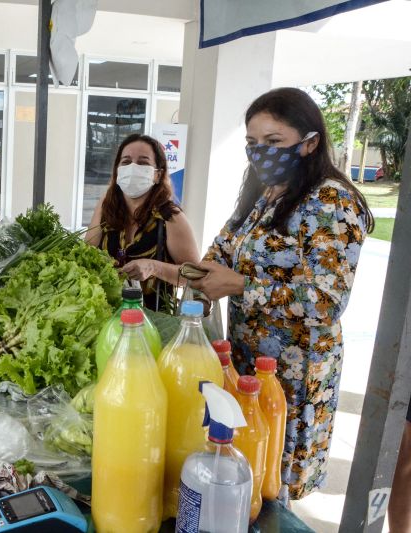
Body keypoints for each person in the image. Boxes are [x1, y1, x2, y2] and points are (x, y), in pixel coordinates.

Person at [194, 87, 374, 501]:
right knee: (241, 464)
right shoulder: (266, 191)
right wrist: (194, 274)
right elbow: (224, 248)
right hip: (249, 360)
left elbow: (327, 301)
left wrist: (240, 285)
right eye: (252, 142)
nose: (260, 152)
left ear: (309, 143)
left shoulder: (331, 201)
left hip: (295, 373)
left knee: (273, 478)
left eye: (273, 141)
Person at [85, 133, 199, 311]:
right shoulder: (106, 206)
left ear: (157, 175)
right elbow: (87, 255)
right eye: (126, 161)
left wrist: (154, 267)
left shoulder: (170, 217)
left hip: (154, 320)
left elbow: (195, 276)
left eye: (143, 163)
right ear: (117, 171)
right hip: (105, 316)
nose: (133, 167)